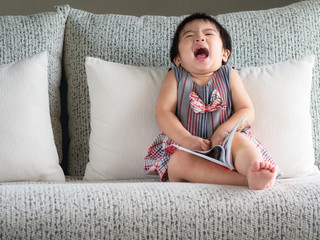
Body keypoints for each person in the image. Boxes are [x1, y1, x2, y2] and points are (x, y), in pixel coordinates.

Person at [144, 13, 282, 190]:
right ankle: (245, 180)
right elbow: (163, 112)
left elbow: (247, 110)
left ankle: (253, 169)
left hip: (225, 143)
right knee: (178, 162)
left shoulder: (229, 74)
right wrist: (186, 139)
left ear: (224, 54)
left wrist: (224, 131)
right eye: (189, 35)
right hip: (188, 148)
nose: (199, 37)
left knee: (241, 143)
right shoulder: (175, 76)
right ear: (177, 59)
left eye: (208, 34)